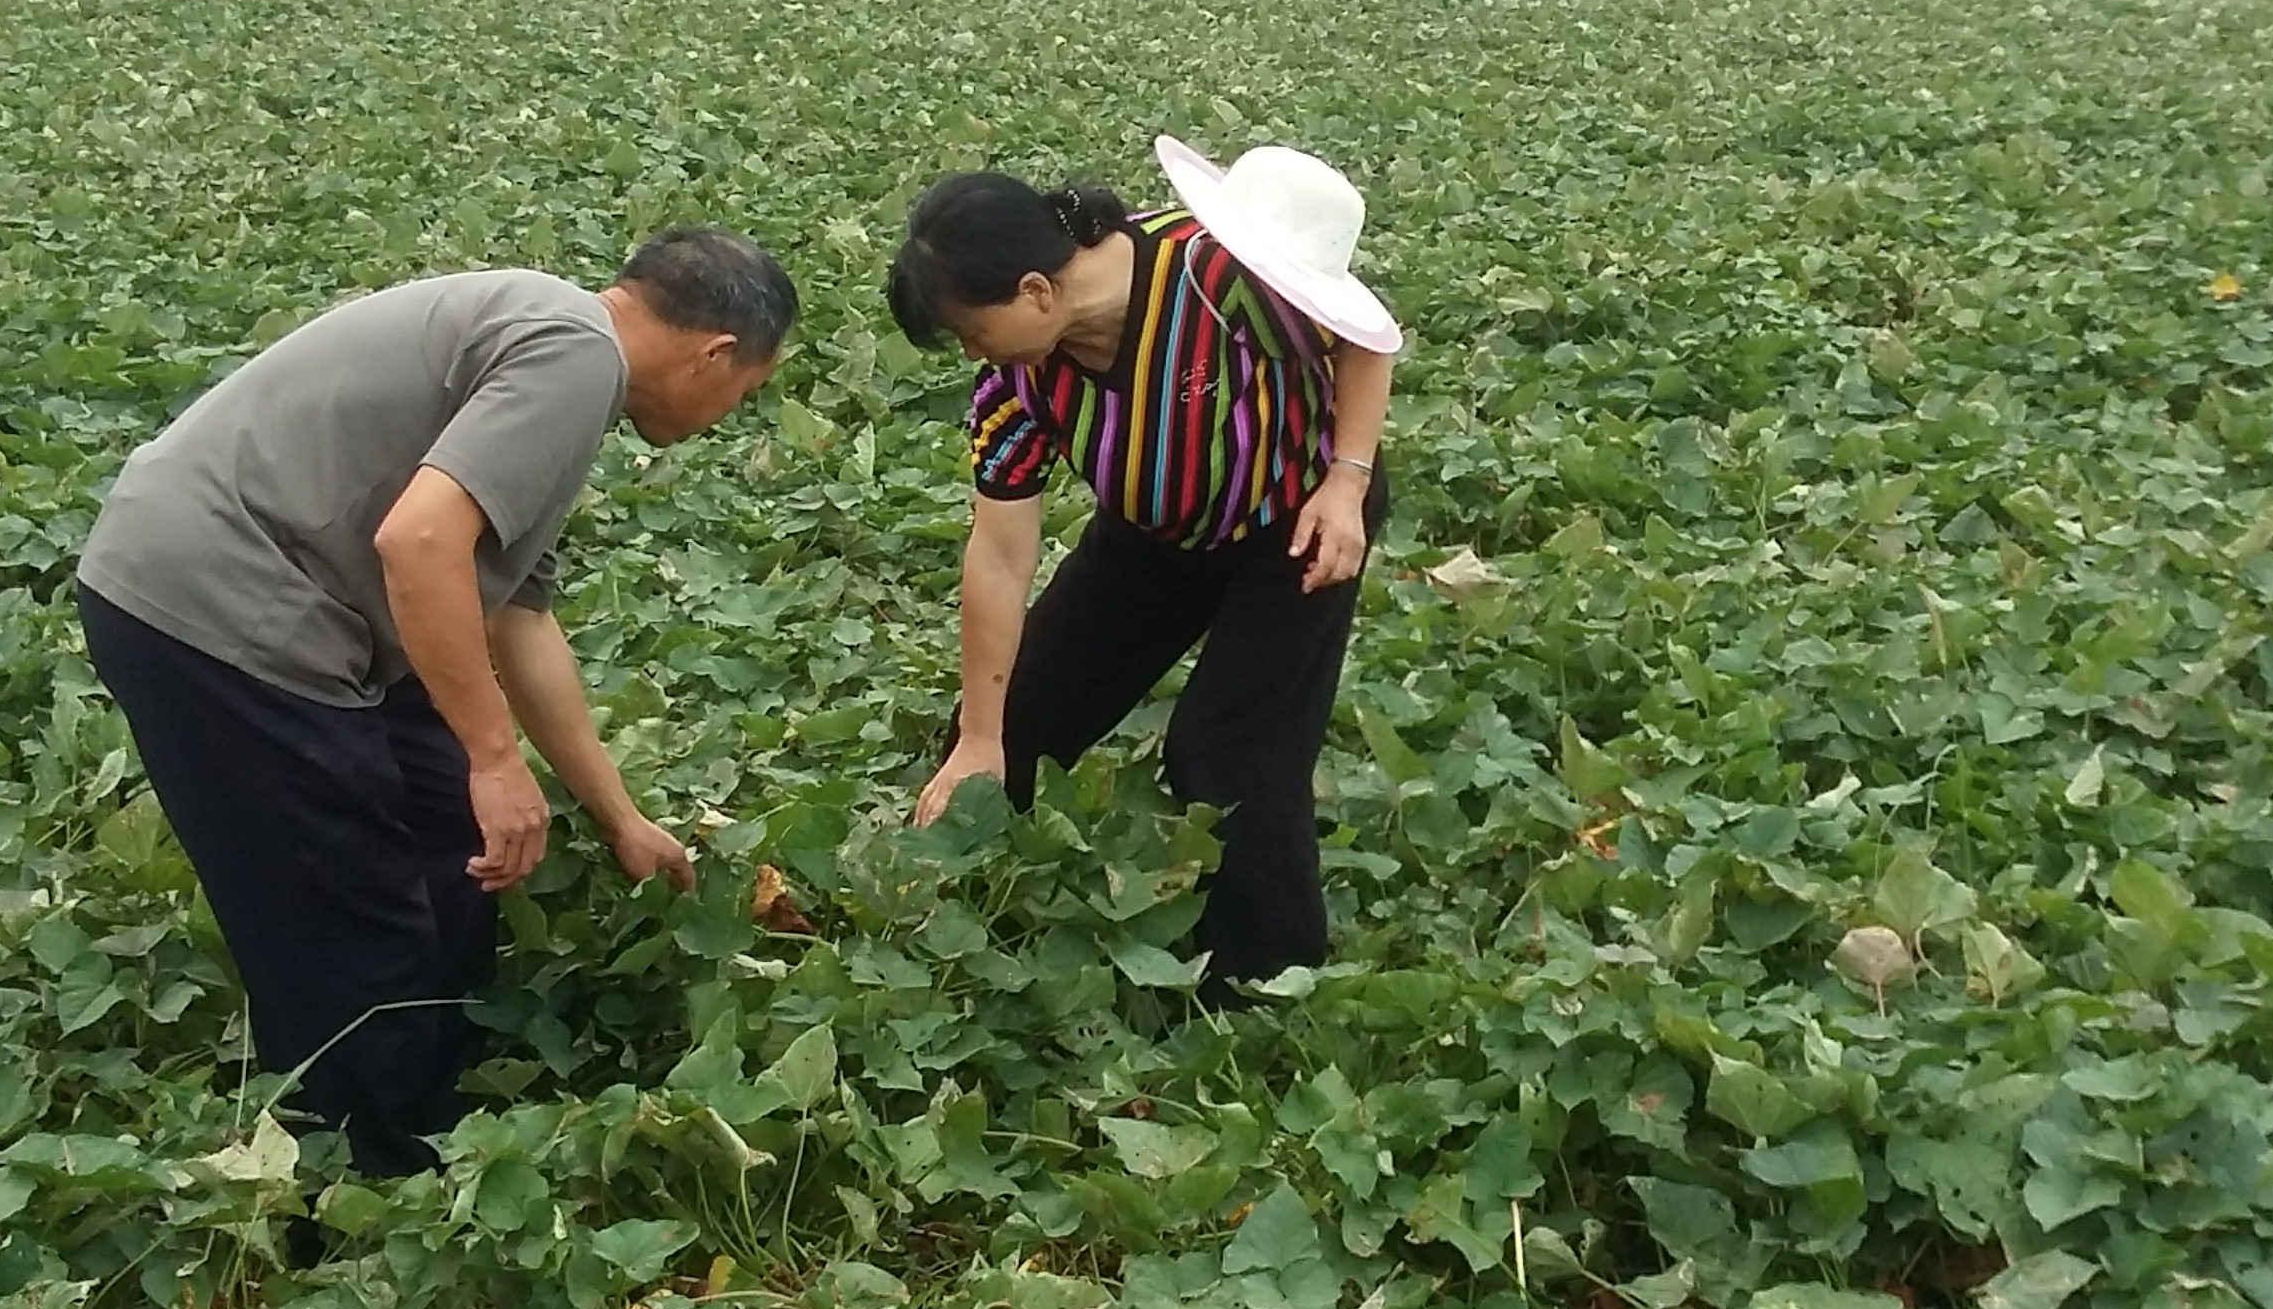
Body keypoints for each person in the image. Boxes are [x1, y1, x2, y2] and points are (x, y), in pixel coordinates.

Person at [75, 229, 795, 1175]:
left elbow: (517, 624)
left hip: (278, 601)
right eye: (747, 391)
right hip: (217, 607)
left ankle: (441, 1096)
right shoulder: (576, 352)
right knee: (346, 915)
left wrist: (617, 817)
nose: (730, 413)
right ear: (714, 354)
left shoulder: (558, 351)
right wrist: (497, 763)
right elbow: (419, 545)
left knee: (452, 848)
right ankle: (368, 1185)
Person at [885, 139, 1401, 986]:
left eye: (976, 334)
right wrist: (982, 734)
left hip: (1295, 525)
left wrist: (1346, 484)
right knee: (1013, 735)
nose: (977, 357)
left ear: (1036, 290)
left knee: (1227, 757)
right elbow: (1000, 554)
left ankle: (1267, 976)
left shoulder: (1221, 275)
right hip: (1153, 533)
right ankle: (952, 923)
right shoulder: (1014, 389)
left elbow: (1367, 340)